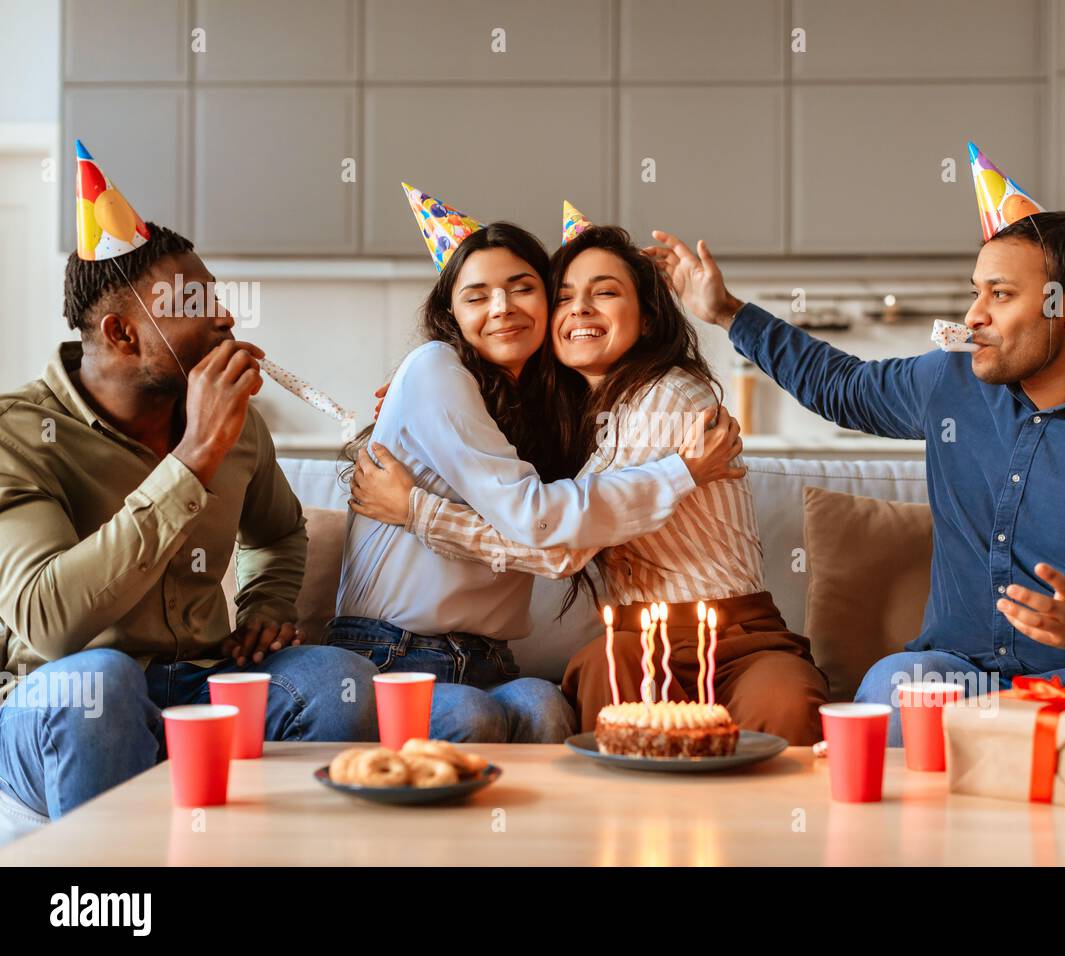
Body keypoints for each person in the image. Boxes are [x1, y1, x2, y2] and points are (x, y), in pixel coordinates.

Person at [645, 210, 1065, 786]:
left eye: (1000, 295)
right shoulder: (953, 382)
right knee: (892, 690)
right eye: (975, 292)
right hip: (960, 677)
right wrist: (725, 312)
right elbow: (842, 387)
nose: (973, 316)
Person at [349, 223, 829, 744]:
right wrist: (426, 386)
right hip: (633, 641)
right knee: (600, 678)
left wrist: (417, 512)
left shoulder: (669, 399)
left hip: (739, 637)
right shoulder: (566, 421)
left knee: (783, 708)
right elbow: (547, 514)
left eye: (604, 292)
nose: (578, 309)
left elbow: (559, 550)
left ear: (647, 319)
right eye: (564, 297)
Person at [0, 214, 379, 827]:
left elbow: (279, 532)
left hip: (199, 687)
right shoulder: (17, 434)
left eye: (218, 299)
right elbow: (48, 624)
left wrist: (267, 607)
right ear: (122, 333)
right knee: (101, 683)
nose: (225, 319)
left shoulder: (240, 426)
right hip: (58, 703)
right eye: (193, 303)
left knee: (339, 679)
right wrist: (194, 457)